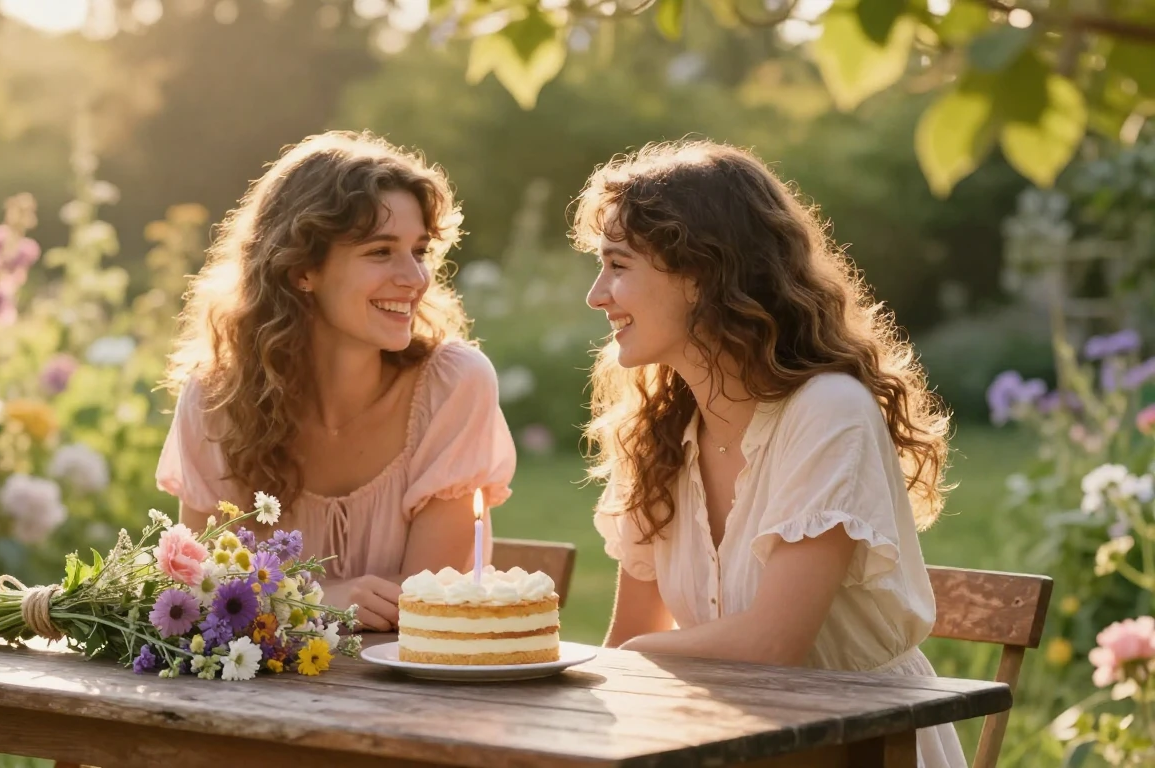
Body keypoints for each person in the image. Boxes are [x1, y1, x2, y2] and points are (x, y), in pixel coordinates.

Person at [577, 139, 964, 767]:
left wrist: (632, 659)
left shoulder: (828, 412)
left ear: (702, 274)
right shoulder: (656, 431)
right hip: (729, 741)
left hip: (863, 746)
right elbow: (627, 636)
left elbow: (772, 643)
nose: (597, 295)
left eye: (618, 266)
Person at [156, 131, 516, 631]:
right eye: (381, 252)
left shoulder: (454, 385)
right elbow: (201, 594)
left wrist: (280, 604)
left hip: (415, 680)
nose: (415, 278)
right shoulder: (217, 400)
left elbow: (425, 603)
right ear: (303, 269)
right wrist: (320, 599)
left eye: (419, 251)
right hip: (261, 680)